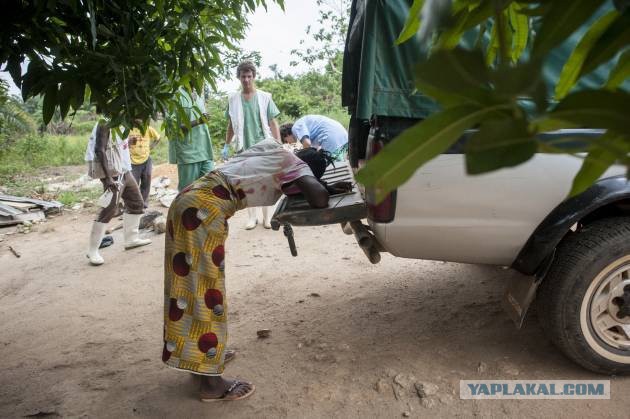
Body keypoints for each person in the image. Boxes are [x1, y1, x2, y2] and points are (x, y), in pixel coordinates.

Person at [163, 139, 350, 401]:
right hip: (203, 212)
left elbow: (289, 181)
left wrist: (321, 184)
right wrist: (318, 186)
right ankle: (211, 386)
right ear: (305, 169)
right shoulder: (295, 166)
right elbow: (317, 198)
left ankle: (201, 358)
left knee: (187, 285)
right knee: (207, 289)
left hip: (188, 199)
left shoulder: (272, 147)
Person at [85, 120, 152, 265]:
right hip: (112, 173)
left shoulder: (122, 122)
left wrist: (128, 140)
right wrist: (108, 178)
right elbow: (99, 149)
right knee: (109, 208)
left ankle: (131, 239)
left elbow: (115, 143)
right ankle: (92, 250)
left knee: (137, 203)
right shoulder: (105, 122)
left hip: (124, 170)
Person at [224, 60, 281, 230]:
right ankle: (252, 218)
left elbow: (273, 122)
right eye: (243, 77)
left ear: (254, 77)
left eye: (249, 76)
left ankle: (267, 217)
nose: (246, 80)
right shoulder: (233, 99)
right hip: (244, 147)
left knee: (266, 181)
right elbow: (231, 125)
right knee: (247, 183)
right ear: (239, 78)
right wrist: (227, 144)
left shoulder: (264, 97)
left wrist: (277, 143)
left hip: (263, 145)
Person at [169, 89, 215, 191]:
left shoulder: (198, 96)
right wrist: (198, 121)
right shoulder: (177, 96)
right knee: (187, 193)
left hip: (205, 151)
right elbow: (174, 127)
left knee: (210, 188)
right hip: (188, 154)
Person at [280, 115, 349, 161]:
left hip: (331, 137)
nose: (288, 143)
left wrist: (299, 158)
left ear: (286, 134)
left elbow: (307, 144)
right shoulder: (304, 125)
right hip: (342, 135)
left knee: (333, 166)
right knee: (343, 164)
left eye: (286, 141)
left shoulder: (296, 127)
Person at [129, 124, 161, 208]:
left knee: (146, 181)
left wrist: (151, 147)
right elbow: (122, 143)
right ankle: (134, 204)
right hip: (132, 161)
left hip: (146, 159)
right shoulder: (128, 130)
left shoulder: (147, 128)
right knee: (133, 184)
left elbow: (158, 138)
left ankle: (143, 203)